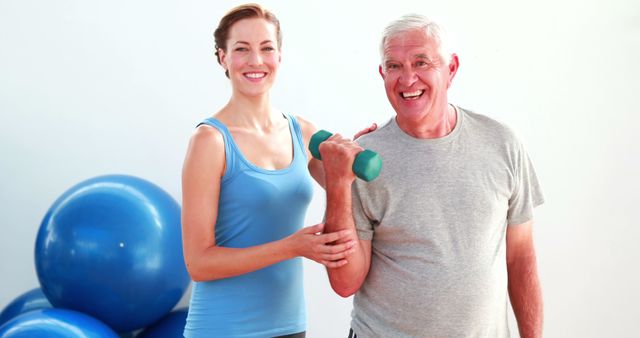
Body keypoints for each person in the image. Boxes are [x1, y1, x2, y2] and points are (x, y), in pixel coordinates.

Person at [319, 14, 545, 338]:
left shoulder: (502, 143)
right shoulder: (363, 158)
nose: (407, 79)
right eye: (394, 66)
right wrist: (339, 183)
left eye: (421, 63)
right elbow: (345, 283)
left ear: (451, 69)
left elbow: (521, 256)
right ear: (382, 74)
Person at [180, 4, 375, 337]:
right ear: (223, 58)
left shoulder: (303, 131)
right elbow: (199, 263)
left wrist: (358, 152)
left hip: (289, 325)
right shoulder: (210, 141)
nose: (256, 60)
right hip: (223, 328)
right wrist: (291, 247)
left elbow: (348, 189)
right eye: (241, 49)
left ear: (279, 57)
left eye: (266, 48)